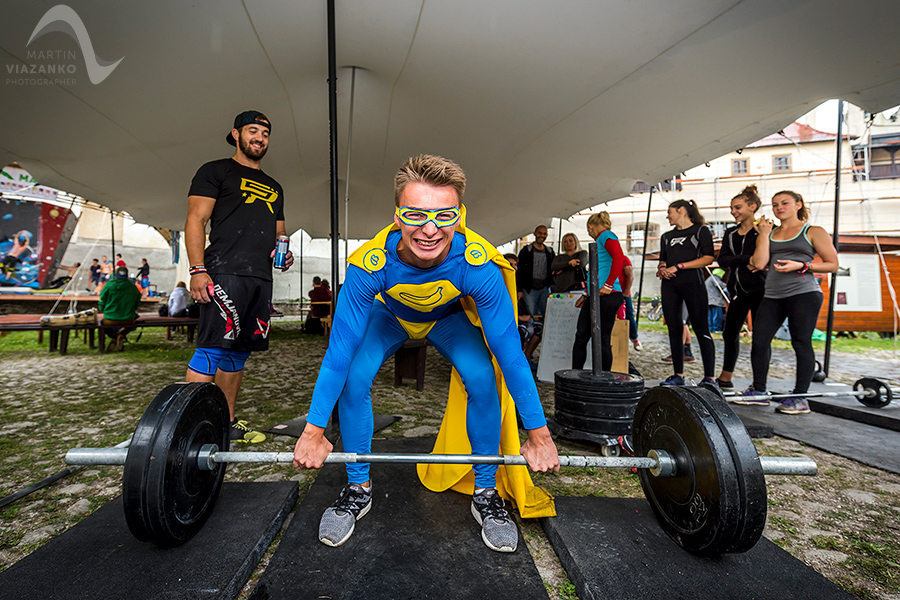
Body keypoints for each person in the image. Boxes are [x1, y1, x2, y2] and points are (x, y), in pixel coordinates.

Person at [292, 154, 559, 553]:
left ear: (460, 214)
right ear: (398, 216)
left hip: (446, 320)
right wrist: (313, 432)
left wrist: (538, 436)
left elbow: (512, 357)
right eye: (416, 216)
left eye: (444, 215)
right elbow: (338, 352)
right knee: (353, 379)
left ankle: (486, 492)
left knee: (485, 378)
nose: (430, 230)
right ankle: (358, 486)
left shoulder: (478, 265)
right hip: (391, 318)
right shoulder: (369, 265)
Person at [184, 110, 293, 444]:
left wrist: (284, 251)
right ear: (236, 134)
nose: (259, 138)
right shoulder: (215, 170)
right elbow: (196, 219)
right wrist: (197, 269)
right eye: (252, 131)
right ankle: (189, 428)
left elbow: (280, 232)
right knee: (211, 350)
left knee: (238, 353)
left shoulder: (274, 186)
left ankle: (227, 423)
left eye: (265, 133)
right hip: (223, 272)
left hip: (260, 279)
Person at [735, 190, 838, 414]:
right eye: (774, 205)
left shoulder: (812, 231)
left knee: (801, 342)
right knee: (760, 341)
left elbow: (832, 264)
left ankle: (800, 398)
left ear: (798, 205)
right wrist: (762, 234)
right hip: (773, 294)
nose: (779, 207)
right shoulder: (769, 232)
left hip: (804, 293)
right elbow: (760, 262)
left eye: (784, 203)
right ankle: (759, 392)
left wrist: (802, 265)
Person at [656, 199, 717, 387]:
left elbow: (708, 259)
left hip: (693, 283)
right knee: (674, 329)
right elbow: (662, 260)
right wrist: (663, 269)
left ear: (681, 210)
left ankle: (710, 378)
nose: (667, 216)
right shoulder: (666, 236)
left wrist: (679, 267)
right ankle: (678, 375)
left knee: (701, 328)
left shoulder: (701, 231)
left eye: (670, 211)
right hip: (670, 286)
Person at [715, 185, 768, 390]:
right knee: (729, 333)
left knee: (760, 338)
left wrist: (751, 260)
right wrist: (748, 259)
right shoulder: (730, 233)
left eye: (737, 207)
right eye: (731, 208)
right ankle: (726, 377)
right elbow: (723, 260)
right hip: (737, 290)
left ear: (752, 206)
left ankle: (759, 383)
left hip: (761, 289)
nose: (733, 211)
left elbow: (764, 259)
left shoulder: (763, 230)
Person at [571, 211, 625, 371]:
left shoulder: (605, 235)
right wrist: (587, 294)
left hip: (606, 295)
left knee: (588, 337)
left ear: (590, 227)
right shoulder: (605, 237)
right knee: (593, 337)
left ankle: (583, 375)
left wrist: (608, 284)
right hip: (598, 294)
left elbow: (619, 258)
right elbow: (598, 270)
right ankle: (593, 376)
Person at [99, 265, 142, 351]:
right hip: (128, 318)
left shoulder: (108, 285)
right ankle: (121, 335)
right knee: (132, 323)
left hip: (110, 319)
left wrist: (103, 308)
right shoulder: (132, 287)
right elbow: (137, 300)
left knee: (102, 324)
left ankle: (114, 337)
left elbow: (102, 300)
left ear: (115, 276)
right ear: (126, 276)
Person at [516, 224, 555, 317]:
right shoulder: (526, 251)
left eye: (545, 234)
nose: (542, 236)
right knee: (530, 314)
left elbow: (555, 268)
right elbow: (519, 271)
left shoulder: (550, 252)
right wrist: (519, 290)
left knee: (547, 314)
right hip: (529, 289)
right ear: (534, 234)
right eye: (540, 233)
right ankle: (531, 331)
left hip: (545, 288)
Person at [620, 261, 641, 351]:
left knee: (629, 315)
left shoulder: (624, 259)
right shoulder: (605, 259)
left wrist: (626, 291)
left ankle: (634, 337)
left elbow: (630, 276)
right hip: (611, 292)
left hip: (624, 293)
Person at [706, 267, 727, 333]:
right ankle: (716, 329)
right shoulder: (715, 279)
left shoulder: (708, 279)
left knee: (710, 316)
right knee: (716, 316)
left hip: (709, 301)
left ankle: (710, 329)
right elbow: (721, 285)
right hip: (716, 301)